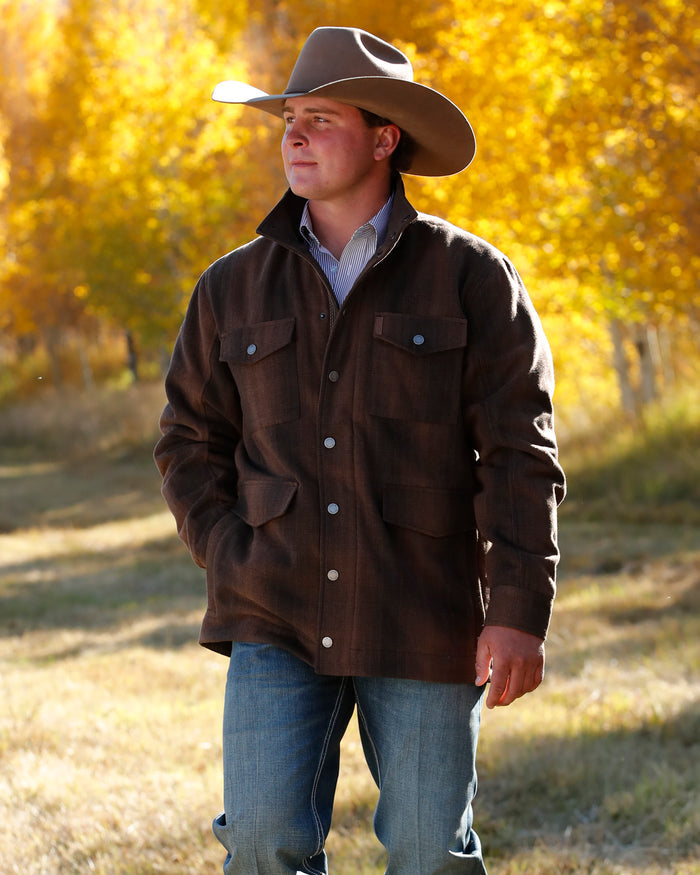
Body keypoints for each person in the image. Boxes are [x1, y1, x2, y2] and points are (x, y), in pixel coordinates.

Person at [155, 26, 566, 875]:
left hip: (423, 608)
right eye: (289, 119)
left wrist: (519, 606)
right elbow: (189, 440)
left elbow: (520, 453)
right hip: (272, 608)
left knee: (426, 849)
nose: (295, 137)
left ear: (385, 140)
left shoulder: (472, 277)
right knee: (261, 843)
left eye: (321, 119)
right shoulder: (232, 285)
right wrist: (231, 552)